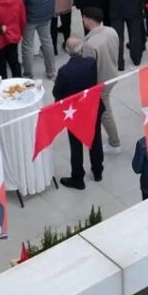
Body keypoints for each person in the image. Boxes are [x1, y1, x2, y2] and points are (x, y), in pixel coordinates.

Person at [52, 37, 104, 189]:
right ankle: (97, 171)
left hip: (74, 112)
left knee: (76, 145)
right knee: (95, 139)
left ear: (67, 51)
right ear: (81, 49)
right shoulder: (91, 63)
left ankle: (78, 177)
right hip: (92, 107)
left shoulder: (64, 71)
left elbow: (57, 93)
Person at [81, 7, 121, 153]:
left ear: (89, 20)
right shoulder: (111, 31)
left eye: (84, 18)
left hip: (100, 82)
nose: (83, 20)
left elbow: (87, 70)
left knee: (105, 111)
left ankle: (115, 142)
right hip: (112, 74)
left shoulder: (90, 45)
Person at [16, 0, 57, 80]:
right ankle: (51, 71)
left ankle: (28, 74)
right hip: (46, 15)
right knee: (47, 41)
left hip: (30, 18)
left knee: (27, 46)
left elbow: (20, 6)